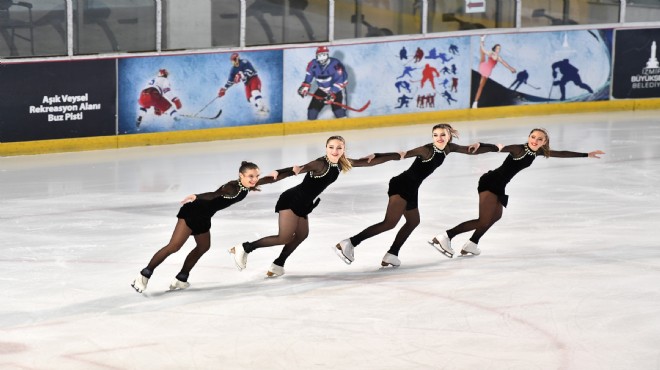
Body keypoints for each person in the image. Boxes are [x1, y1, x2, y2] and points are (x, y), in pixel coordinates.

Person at [228, 135, 404, 277]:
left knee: (302, 235)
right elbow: (295, 170)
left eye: (339, 148)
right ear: (326, 148)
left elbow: (367, 162)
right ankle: (244, 248)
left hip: (304, 203)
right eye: (331, 147)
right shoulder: (320, 164)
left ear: (343, 149)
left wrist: (395, 155)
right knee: (284, 237)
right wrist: (269, 177)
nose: (335, 151)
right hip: (292, 200)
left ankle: (278, 264)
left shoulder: (342, 162)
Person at [334, 123, 500, 267]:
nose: (439, 138)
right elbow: (401, 155)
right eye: (435, 135)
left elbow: (471, 151)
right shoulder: (426, 150)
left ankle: (392, 254)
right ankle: (349, 243)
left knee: (413, 221)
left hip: (412, 187)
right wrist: (373, 157)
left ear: (449, 136)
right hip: (402, 184)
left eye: (442, 135)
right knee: (389, 223)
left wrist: (491, 147)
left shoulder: (449, 148)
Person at [429, 128, 605, 257]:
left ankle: (472, 244)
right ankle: (445, 236)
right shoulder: (519, 149)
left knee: (495, 216)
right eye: (533, 137)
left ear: (544, 142)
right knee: (483, 219)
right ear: (528, 137)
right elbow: (498, 148)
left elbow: (561, 153)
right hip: (490, 182)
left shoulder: (537, 152)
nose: (535, 140)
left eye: (539, 139)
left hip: (500, 186)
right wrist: (480, 145)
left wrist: (586, 154)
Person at [131, 161, 297, 293]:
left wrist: (292, 170)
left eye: (256, 176)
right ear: (241, 175)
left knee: (203, 246)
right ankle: (144, 275)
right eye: (250, 176)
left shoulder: (246, 185)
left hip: (205, 215)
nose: (254, 180)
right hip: (193, 211)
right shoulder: (232, 187)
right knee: (174, 246)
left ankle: (181, 278)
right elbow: (214, 195)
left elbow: (272, 178)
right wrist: (196, 196)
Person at [297, 46, 349, 120]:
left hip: (337, 90)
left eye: (324, 55)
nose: (322, 58)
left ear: (327, 55)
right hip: (322, 89)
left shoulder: (336, 64)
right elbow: (309, 77)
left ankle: (345, 127)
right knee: (312, 112)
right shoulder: (312, 64)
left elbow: (341, 80)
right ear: (316, 56)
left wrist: (332, 93)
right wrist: (305, 86)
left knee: (339, 112)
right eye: (320, 55)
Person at [472, 36, 516, 109]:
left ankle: (475, 102)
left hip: (487, 70)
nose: (499, 49)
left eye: (499, 48)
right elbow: (483, 51)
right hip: (484, 67)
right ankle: (475, 103)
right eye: (498, 48)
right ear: (495, 48)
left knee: (481, 86)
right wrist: (481, 44)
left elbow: (504, 63)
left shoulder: (498, 57)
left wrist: (510, 68)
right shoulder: (491, 53)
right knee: (482, 55)